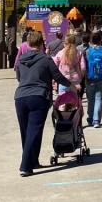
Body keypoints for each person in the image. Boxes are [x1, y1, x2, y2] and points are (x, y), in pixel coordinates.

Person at [14, 31, 72, 177]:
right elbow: (58, 76)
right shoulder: (46, 59)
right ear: (41, 43)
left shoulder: (21, 59)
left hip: (20, 97)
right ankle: (25, 165)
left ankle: (33, 161)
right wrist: (72, 86)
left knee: (26, 131)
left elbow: (19, 77)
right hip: (38, 96)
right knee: (34, 131)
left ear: (27, 43)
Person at [85, 31, 102, 128]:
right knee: (98, 98)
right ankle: (96, 121)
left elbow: (84, 65)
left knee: (90, 99)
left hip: (89, 77)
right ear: (100, 40)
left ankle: (90, 119)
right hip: (101, 76)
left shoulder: (87, 51)